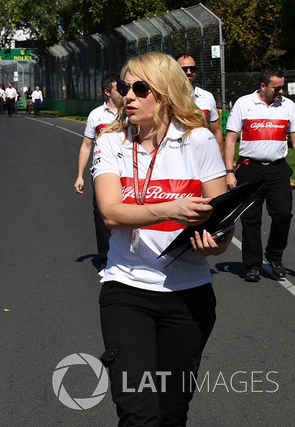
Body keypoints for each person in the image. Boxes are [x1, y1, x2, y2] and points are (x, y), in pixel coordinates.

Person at [92, 52, 230, 426]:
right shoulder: (111, 141)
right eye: (125, 88)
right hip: (127, 290)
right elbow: (111, 213)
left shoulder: (199, 141)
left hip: (190, 295)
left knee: (172, 412)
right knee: (138, 413)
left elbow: (221, 226)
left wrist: (213, 242)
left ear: (166, 95)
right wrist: (171, 209)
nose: (128, 97)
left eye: (140, 88)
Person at [224, 67, 295, 282]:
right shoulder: (244, 104)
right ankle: (252, 264)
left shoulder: (289, 106)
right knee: (251, 218)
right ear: (263, 86)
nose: (281, 91)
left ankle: (275, 257)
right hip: (249, 168)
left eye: (282, 87)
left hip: (278, 168)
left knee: (283, 213)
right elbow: (231, 139)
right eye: (276, 88)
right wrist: (229, 170)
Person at [74, 72, 121, 272]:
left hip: (128, 169)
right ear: (107, 92)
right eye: (119, 89)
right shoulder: (96, 115)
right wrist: (80, 175)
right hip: (103, 171)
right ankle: (105, 258)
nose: (124, 92)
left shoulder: (131, 110)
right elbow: (86, 145)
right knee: (102, 215)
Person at [176, 54, 223, 151]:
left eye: (192, 69)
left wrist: (220, 160)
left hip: (203, 152)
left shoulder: (207, 97)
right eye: (185, 69)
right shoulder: (168, 97)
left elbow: (216, 131)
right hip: (178, 152)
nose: (189, 72)